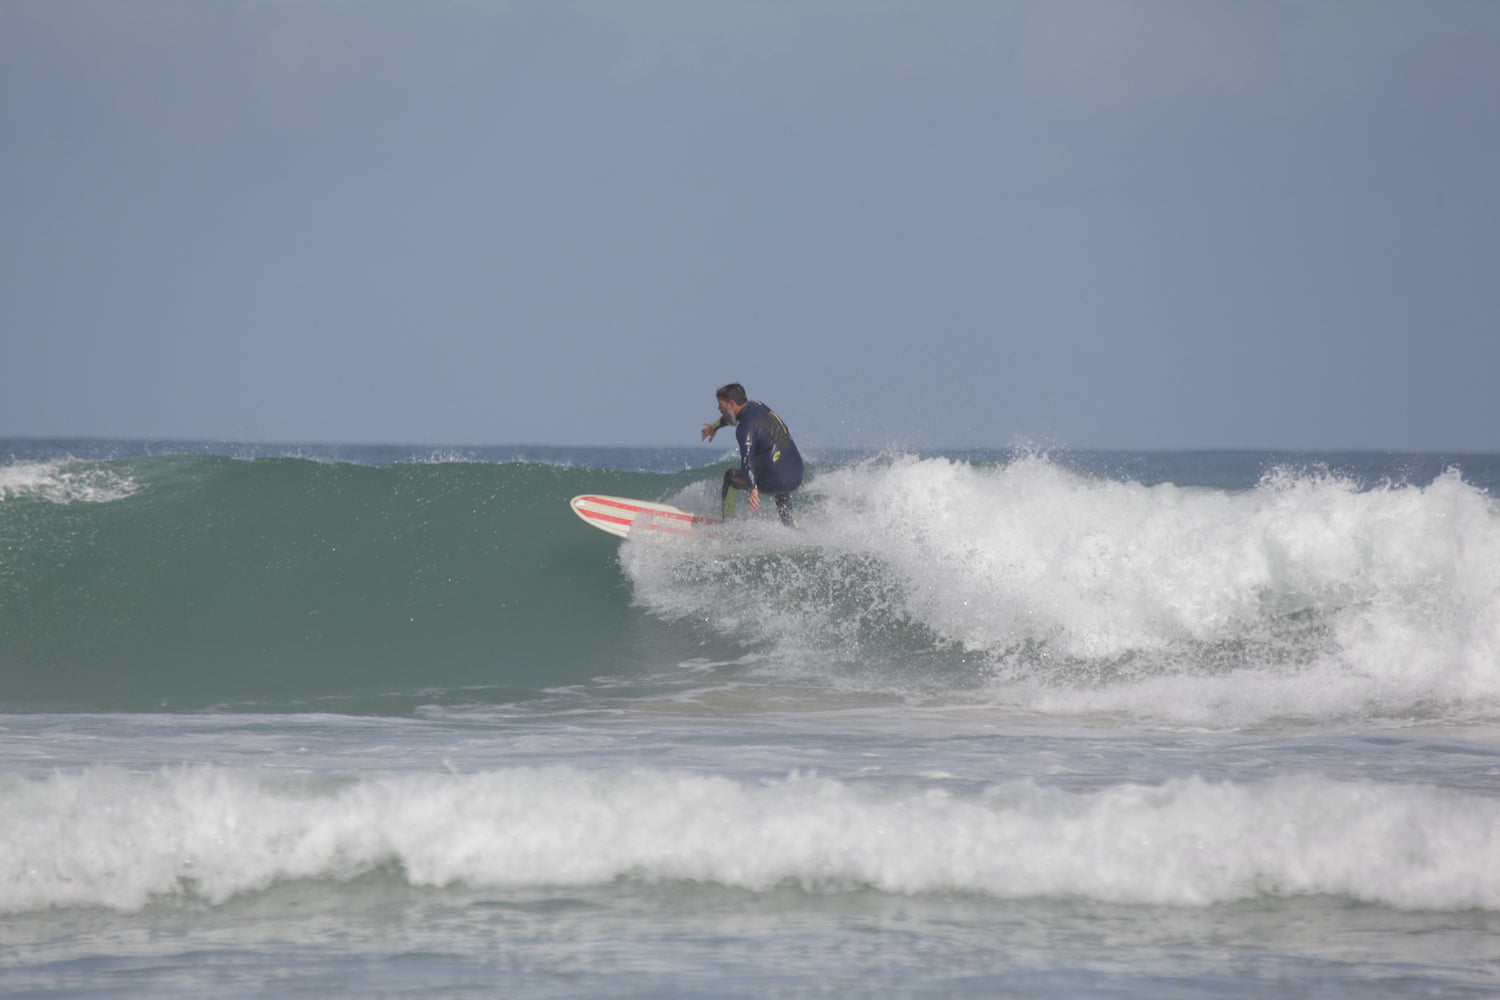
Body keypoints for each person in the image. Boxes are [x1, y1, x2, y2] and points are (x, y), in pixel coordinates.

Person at [701, 382, 803, 526]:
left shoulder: (744, 429)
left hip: (775, 479)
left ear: (731, 404)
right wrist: (714, 427)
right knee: (781, 479)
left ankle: (726, 528)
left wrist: (753, 488)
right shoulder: (758, 405)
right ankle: (789, 526)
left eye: (721, 405)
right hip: (796, 473)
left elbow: (746, 460)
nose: (719, 408)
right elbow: (732, 417)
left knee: (730, 478)